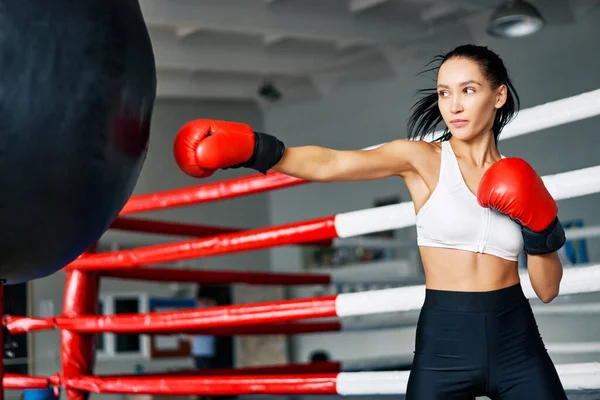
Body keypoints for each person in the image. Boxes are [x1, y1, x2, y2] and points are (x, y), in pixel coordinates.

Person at [174, 45, 568, 399]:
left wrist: (541, 229)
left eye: (468, 90)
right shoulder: (422, 160)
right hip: (446, 342)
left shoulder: (521, 177)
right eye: (444, 93)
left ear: (498, 95)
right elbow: (333, 163)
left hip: (516, 341)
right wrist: (256, 149)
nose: (454, 106)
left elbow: (547, 290)